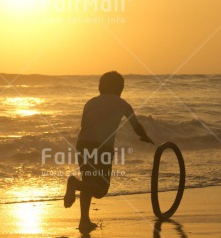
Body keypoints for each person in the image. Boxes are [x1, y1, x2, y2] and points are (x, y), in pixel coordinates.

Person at [63, 71, 154, 233]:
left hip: (82, 144)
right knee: (101, 190)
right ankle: (74, 183)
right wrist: (145, 137)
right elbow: (136, 126)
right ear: (120, 89)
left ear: (100, 88)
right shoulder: (122, 103)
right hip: (102, 147)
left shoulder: (90, 102)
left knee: (88, 182)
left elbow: (85, 125)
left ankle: (84, 221)